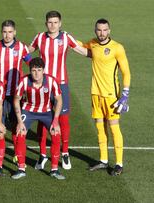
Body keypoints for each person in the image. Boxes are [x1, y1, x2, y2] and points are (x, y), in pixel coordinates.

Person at [29, 10, 88, 170]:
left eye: (55, 22)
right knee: (42, 120)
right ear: (46, 23)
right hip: (43, 85)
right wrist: (32, 66)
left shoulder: (66, 37)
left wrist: (102, 53)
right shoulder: (40, 37)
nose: (53, 25)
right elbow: (26, 52)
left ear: (60, 23)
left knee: (63, 120)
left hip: (61, 84)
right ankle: (42, 155)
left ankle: (65, 152)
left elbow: (83, 51)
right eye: (50, 22)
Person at [83, 19, 131, 176]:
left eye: (104, 30)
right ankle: (103, 160)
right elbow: (79, 46)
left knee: (114, 127)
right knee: (99, 127)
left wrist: (124, 94)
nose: (102, 33)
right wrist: (65, 37)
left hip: (111, 95)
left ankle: (119, 163)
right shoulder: (93, 43)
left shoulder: (117, 48)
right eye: (99, 30)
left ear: (109, 30)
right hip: (95, 93)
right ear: (95, 30)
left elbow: (126, 72)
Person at [11, 57, 65, 180]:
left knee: (56, 133)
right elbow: (16, 100)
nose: (36, 73)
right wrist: (20, 121)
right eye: (34, 70)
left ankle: (54, 169)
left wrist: (55, 120)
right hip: (28, 110)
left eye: (39, 70)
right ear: (30, 70)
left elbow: (59, 100)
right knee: (20, 133)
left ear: (43, 70)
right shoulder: (24, 81)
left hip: (46, 111)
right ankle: (21, 168)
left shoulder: (51, 81)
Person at [0, 19, 31, 168]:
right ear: (2, 32)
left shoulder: (21, 47)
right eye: (5, 32)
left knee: (15, 124)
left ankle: (16, 155)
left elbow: (31, 64)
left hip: (16, 94)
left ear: (15, 32)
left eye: (10, 32)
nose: (7, 35)